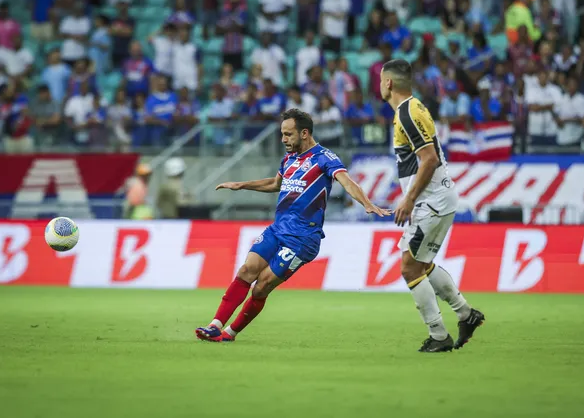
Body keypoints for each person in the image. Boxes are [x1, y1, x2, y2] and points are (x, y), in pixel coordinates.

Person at [195, 109, 389, 343]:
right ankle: (215, 325)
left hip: (302, 239)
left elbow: (346, 181)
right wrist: (241, 185)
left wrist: (366, 203)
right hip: (278, 229)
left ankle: (230, 333)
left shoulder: (325, 158)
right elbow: (276, 183)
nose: (284, 139)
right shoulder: (289, 159)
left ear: (304, 133)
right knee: (247, 271)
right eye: (282, 134)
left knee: (261, 287)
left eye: (288, 134)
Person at [379, 59, 485, 353]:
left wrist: (409, 199)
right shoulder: (414, 108)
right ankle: (466, 314)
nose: (379, 85)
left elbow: (429, 158)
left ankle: (439, 335)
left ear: (389, 83)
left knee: (410, 269)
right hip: (436, 198)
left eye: (380, 80)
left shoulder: (407, 114)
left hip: (431, 200)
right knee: (421, 264)